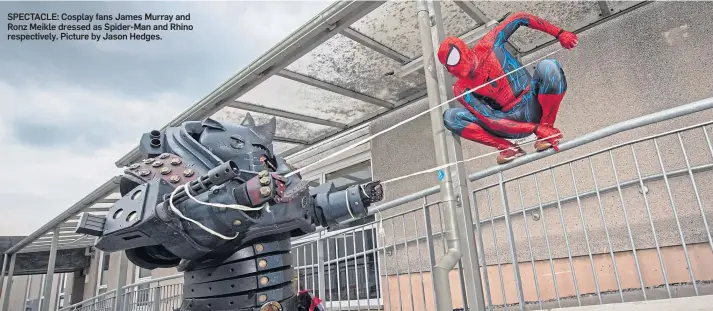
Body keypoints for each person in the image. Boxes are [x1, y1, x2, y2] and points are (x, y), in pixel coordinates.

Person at [437, 12, 578, 164]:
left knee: (549, 67)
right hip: (506, 121)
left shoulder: (489, 44)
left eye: (453, 59)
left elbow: (519, 17)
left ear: (463, 49)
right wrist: (533, 128)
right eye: (448, 66)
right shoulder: (461, 88)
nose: (453, 68)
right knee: (451, 117)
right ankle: (507, 147)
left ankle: (547, 127)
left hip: (532, 103)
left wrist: (559, 33)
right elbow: (490, 120)